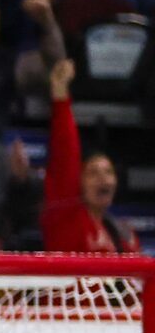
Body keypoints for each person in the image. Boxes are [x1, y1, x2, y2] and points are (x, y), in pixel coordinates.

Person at [41, 58, 135, 254]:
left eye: (108, 172)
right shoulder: (66, 219)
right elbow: (65, 155)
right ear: (79, 183)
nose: (103, 178)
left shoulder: (124, 233)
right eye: (93, 172)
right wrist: (60, 97)